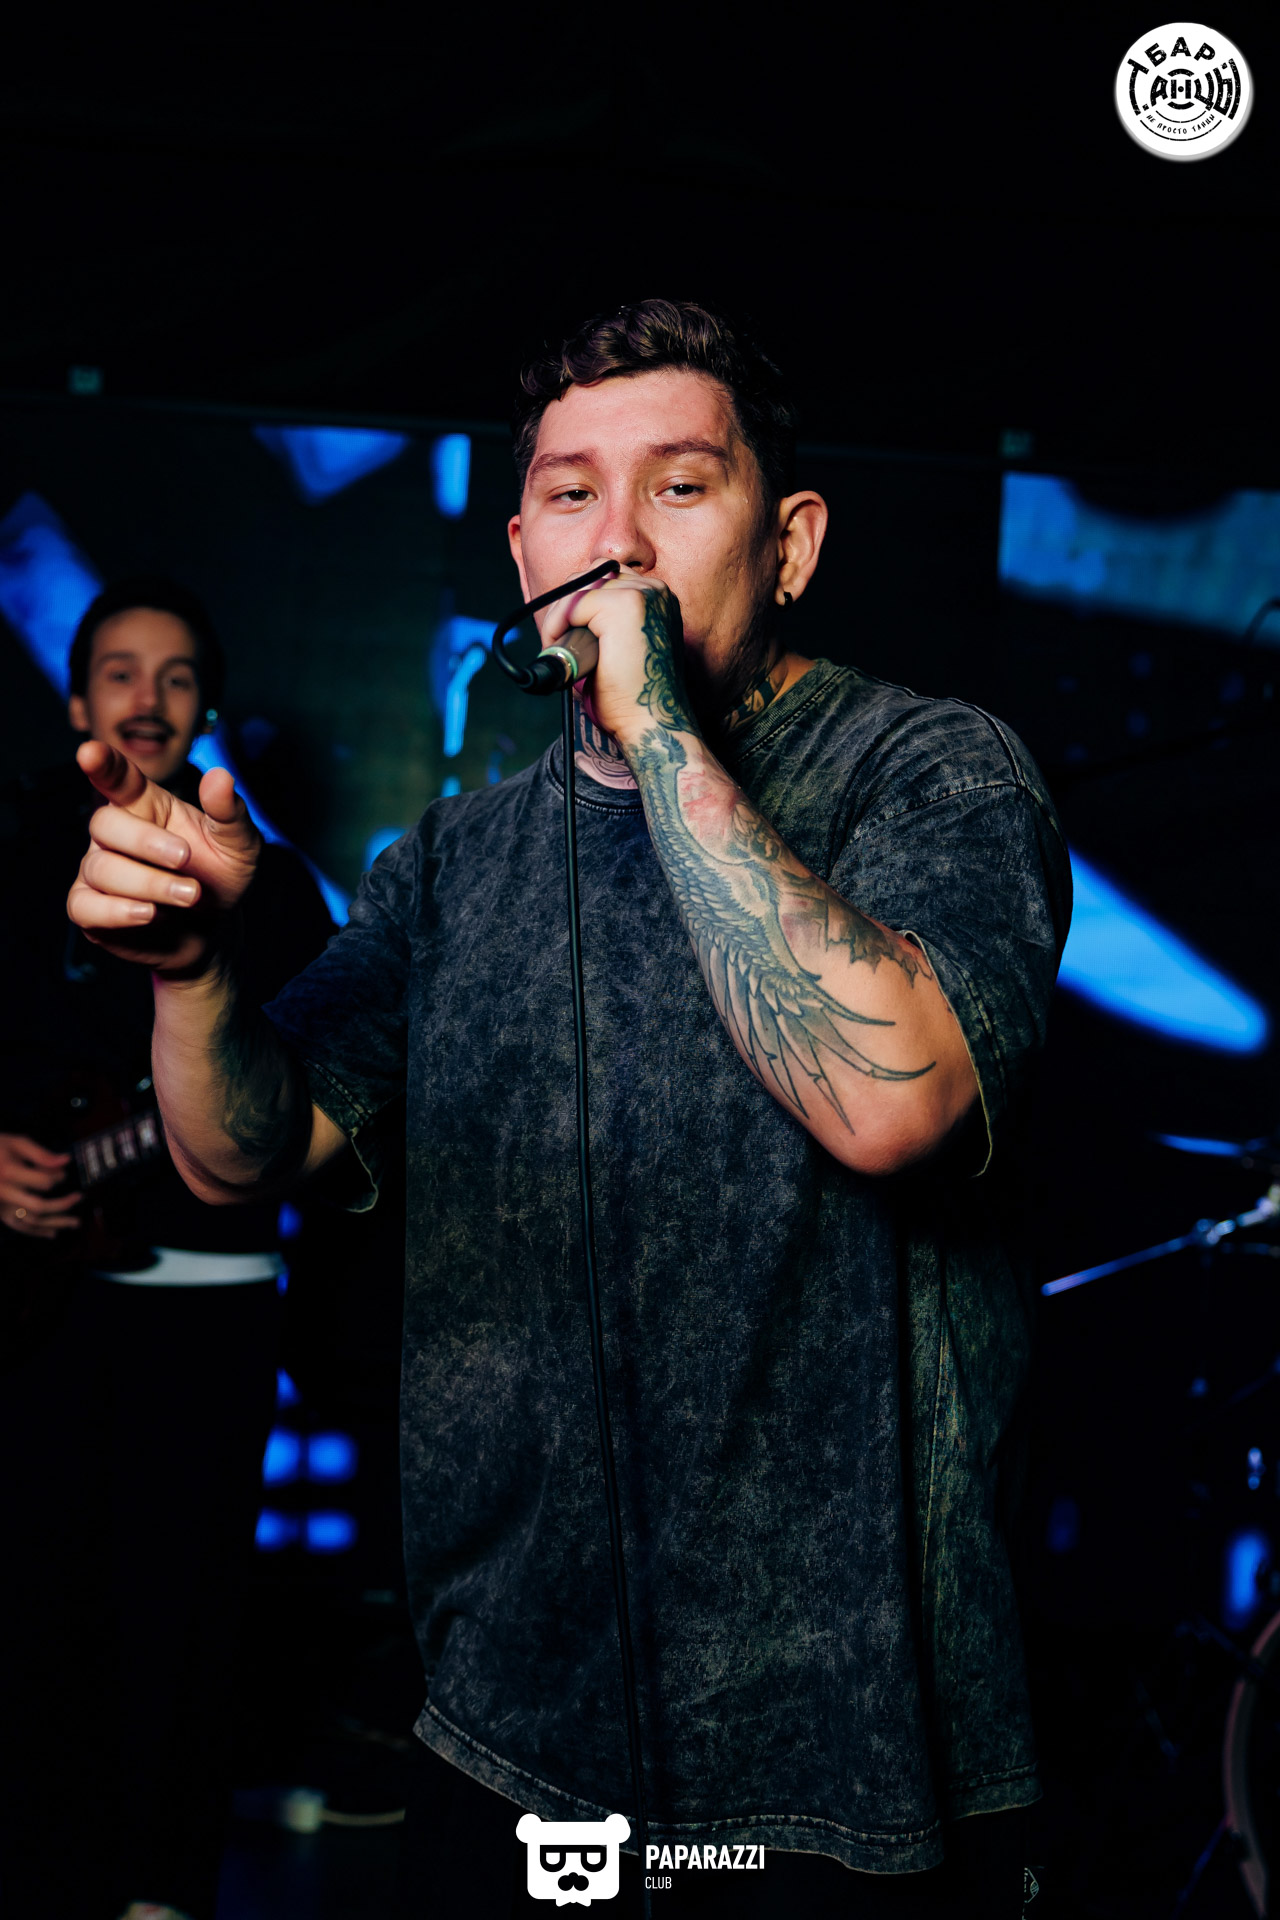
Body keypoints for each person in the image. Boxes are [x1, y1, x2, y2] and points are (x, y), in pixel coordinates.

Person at [64, 302, 1071, 1919]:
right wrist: (191, 979)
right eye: (572, 495)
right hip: (510, 1743)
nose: (617, 544)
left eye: (680, 487)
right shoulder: (451, 866)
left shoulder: (934, 775)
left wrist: (656, 724)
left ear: (791, 544)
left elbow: (895, 1103)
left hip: (858, 1771)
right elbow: (248, 1151)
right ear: (522, 547)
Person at [0, 579, 333, 1920]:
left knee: (187, 1619)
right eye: (122, 673)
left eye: (178, 675)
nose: (148, 699)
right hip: (33, 1312)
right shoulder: (12, 847)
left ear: (209, 707)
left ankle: (164, 1892)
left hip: (211, 1305)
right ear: (79, 697)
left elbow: (326, 1081)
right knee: (33, 1613)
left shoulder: (274, 885)